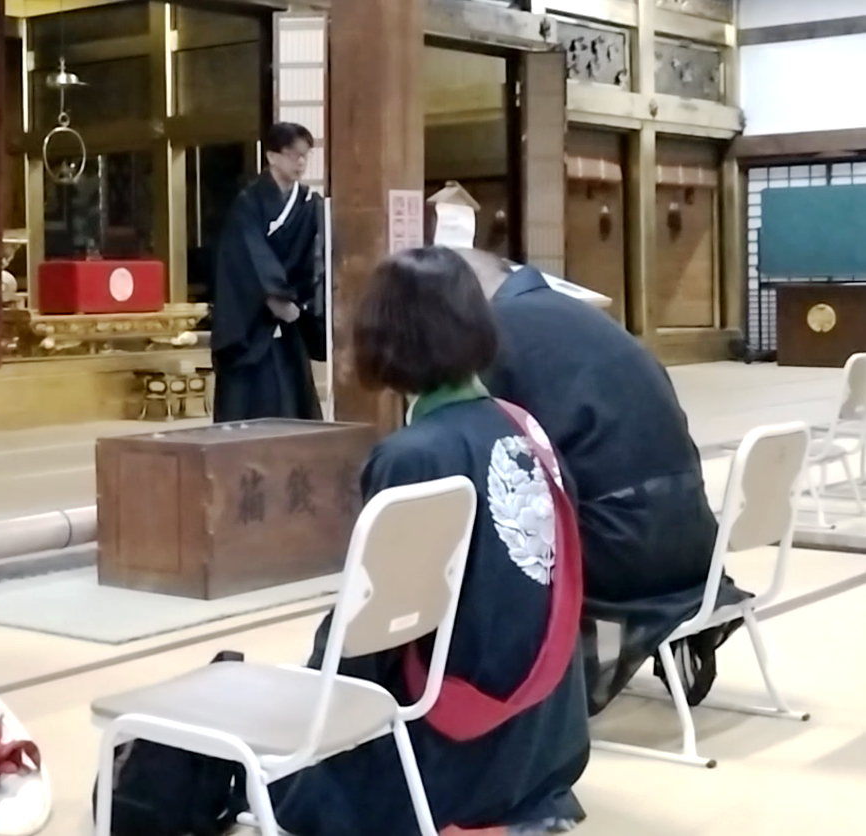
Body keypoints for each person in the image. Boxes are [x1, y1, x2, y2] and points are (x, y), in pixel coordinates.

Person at [266, 247, 589, 836]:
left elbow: (371, 632)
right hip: (548, 741)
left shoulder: (414, 455)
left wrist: (308, 694)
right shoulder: (526, 427)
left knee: (278, 781)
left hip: (457, 759)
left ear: (385, 338)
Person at [451, 247, 743, 713]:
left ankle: (497, 696)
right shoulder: (584, 315)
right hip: (695, 543)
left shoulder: (496, 333)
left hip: (623, 555)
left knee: (483, 533)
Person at [210, 122, 324, 423]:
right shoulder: (248, 204)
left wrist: (306, 299)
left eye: (305, 155)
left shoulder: (307, 203)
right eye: (293, 155)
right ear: (272, 156)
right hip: (251, 316)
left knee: (293, 391)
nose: (300, 162)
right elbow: (247, 255)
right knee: (253, 395)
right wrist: (275, 296)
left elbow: (315, 254)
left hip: (291, 313)